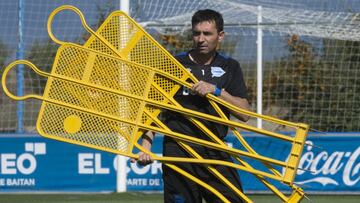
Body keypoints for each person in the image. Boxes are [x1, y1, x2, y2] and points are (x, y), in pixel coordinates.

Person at [131, 9, 251, 203]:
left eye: (207, 33)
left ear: (220, 35)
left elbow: (245, 113)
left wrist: (217, 91)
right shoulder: (173, 64)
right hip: (178, 150)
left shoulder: (230, 66)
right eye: (196, 33)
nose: (201, 39)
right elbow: (152, 109)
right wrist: (145, 147)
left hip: (215, 149)